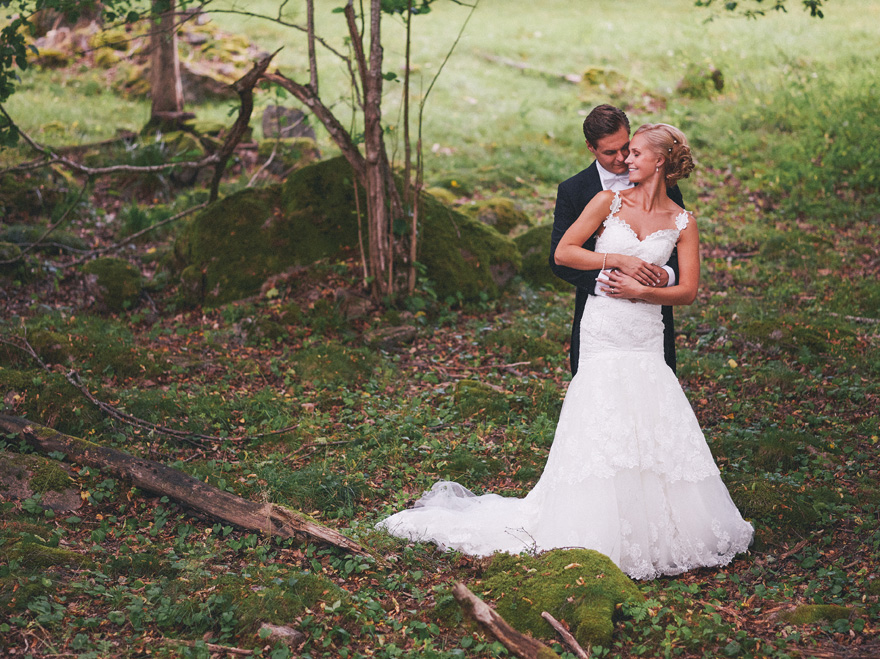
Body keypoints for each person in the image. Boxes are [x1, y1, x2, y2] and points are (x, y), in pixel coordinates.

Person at [376, 123, 754, 580]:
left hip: (644, 333)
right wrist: (615, 260)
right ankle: (593, 526)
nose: (626, 161)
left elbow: (689, 290)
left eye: (635, 154)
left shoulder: (682, 221)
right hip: (602, 329)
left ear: (660, 162)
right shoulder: (607, 201)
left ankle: (657, 526)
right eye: (624, 152)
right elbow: (564, 252)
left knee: (651, 414)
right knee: (600, 417)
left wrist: (642, 289)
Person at [550, 104, 684, 375]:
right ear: (591, 147)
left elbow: (676, 239)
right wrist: (610, 284)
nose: (623, 158)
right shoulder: (574, 191)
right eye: (610, 152)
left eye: (627, 147)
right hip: (600, 316)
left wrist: (664, 276)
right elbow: (559, 259)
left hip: (651, 316)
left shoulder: (661, 182)